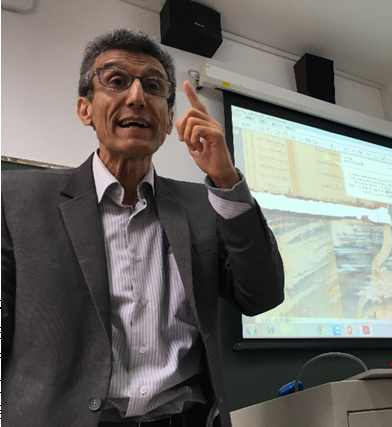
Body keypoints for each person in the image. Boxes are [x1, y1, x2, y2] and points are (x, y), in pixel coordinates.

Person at [1, 28, 284, 427]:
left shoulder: (202, 206)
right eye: (116, 81)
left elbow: (262, 295)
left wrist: (226, 180)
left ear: (168, 121)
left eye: (153, 87)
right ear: (85, 109)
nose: (136, 97)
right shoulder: (16, 200)